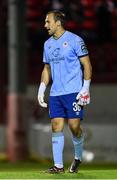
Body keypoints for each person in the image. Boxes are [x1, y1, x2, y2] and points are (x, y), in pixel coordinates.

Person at [38, 10, 92, 173]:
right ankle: (58, 166)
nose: (45, 25)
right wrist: (41, 89)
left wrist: (85, 88)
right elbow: (47, 69)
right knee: (56, 126)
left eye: (48, 22)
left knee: (74, 127)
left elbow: (87, 65)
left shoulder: (75, 40)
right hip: (55, 93)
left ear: (58, 23)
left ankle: (78, 157)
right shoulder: (47, 44)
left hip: (73, 92)